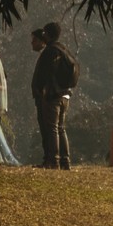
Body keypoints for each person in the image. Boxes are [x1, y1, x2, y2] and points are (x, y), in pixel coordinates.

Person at [31, 22, 73, 169]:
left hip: (52, 95)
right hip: (65, 94)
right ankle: (65, 161)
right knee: (60, 128)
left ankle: (53, 161)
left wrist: (40, 91)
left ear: (47, 34)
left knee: (52, 128)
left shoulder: (49, 51)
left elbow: (44, 74)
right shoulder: (63, 49)